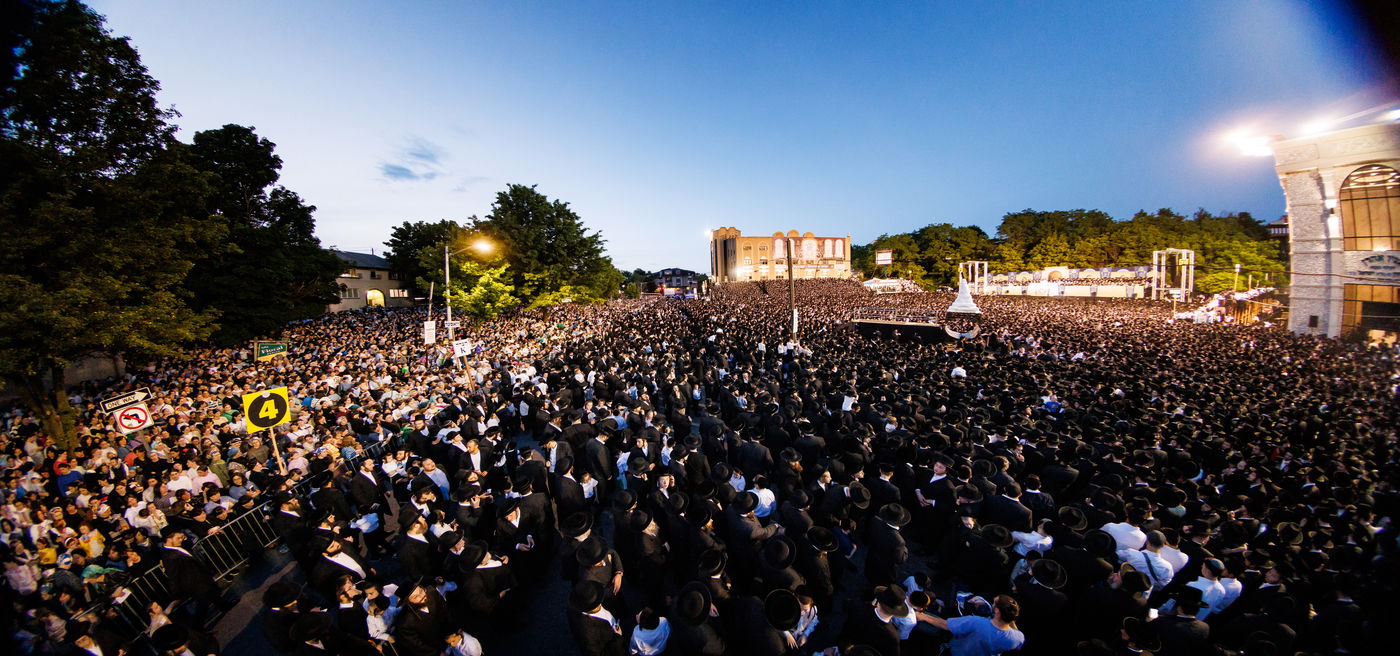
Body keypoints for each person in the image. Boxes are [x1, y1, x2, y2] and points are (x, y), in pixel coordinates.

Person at [918, 594, 1025, 656]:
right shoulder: (1017, 637)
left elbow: (945, 625)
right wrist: (1010, 618)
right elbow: (1019, 640)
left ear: (997, 611)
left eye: (994, 603)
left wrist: (923, 616)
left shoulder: (976, 622)